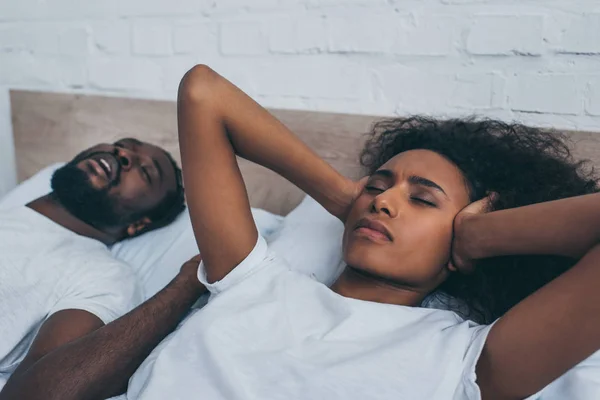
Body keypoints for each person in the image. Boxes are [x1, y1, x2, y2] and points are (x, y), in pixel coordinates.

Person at [4, 66, 600, 400]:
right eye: (379, 184)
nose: (386, 200)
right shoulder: (252, 277)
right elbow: (203, 92)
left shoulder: (471, 361)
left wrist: (478, 239)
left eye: (421, 199)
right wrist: (345, 198)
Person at [0, 138, 185, 395]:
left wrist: (186, 285)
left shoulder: (104, 276)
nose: (123, 154)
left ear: (140, 225)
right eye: (122, 144)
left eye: (145, 171)